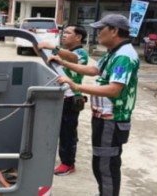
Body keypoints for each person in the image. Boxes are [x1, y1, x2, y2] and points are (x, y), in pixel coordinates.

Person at [53, 14, 139, 196]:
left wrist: (76, 86)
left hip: (112, 120)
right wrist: (62, 62)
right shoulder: (114, 52)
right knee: (101, 162)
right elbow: (94, 70)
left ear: (114, 31)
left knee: (106, 165)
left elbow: (114, 89)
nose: (98, 34)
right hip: (103, 117)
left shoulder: (124, 56)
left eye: (101, 30)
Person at [37, 25, 88, 176]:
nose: (64, 35)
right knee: (53, 129)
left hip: (71, 98)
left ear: (78, 37)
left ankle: (68, 163)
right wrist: (37, 45)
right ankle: (52, 157)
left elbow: (74, 59)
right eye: (63, 33)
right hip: (57, 95)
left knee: (68, 133)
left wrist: (52, 46)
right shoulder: (62, 54)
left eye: (68, 33)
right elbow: (45, 57)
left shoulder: (80, 53)